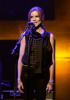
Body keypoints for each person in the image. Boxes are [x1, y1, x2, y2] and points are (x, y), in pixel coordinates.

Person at [17, 6, 54, 100]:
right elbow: (21, 58)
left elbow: (51, 60)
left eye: (37, 16)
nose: (34, 19)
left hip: (42, 74)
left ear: (42, 18)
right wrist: (19, 80)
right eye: (31, 17)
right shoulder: (25, 35)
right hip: (26, 74)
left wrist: (50, 81)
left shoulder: (49, 36)